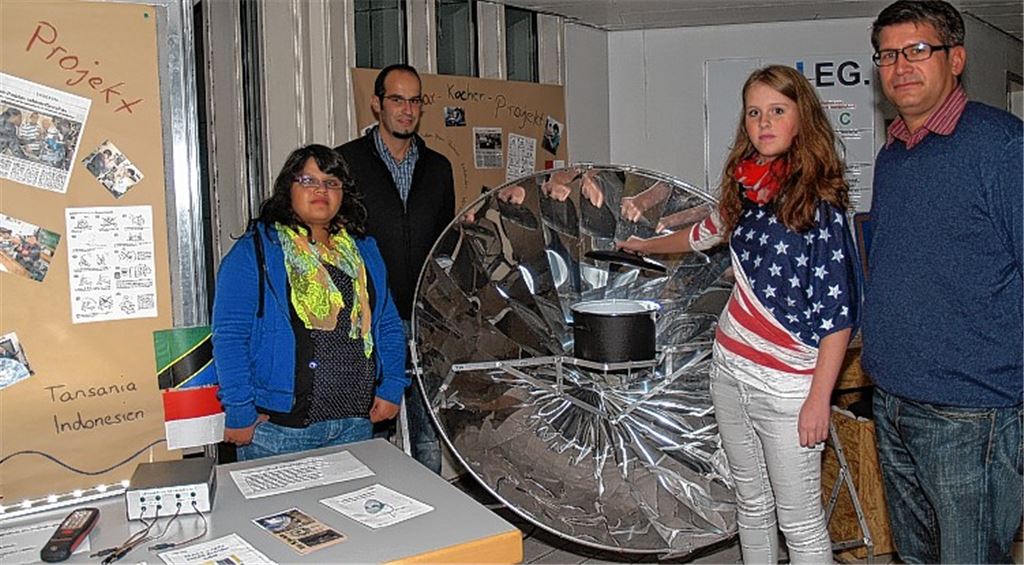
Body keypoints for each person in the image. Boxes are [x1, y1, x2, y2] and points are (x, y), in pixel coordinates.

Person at [619, 65, 860, 563]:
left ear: (802, 119)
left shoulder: (820, 202)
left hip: (788, 386)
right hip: (729, 371)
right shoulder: (745, 189)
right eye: (754, 113)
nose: (764, 123)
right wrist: (646, 243)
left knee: (801, 523)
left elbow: (839, 314)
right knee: (750, 505)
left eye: (777, 110)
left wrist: (819, 399)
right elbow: (699, 234)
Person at [862, 2, 1023, 562]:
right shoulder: (894, 155)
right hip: (893, 399)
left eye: (917, 50)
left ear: (956, 59)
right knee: (915, 557)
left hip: (971, 411)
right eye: (888, 54)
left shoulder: (1002, 147)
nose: (900, 65)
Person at [212, 144, 408, 461]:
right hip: (279, 431)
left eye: (331, 182)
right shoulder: (256, 252)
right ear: (287, 188)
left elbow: (387, 324)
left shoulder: (363, 251)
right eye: (308, 181)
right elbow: (230, 337)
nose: (321, 190)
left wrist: (391, 387)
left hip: (356, 423)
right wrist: (239, 410)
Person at [336, 64, 454, 474]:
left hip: (425, 321)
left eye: (415, 100)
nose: (407, 109)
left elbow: (446, 244)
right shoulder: (345, 164)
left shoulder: (439, 169)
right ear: (377, 104)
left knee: (428, 430)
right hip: (366, 321)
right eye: (397, 99)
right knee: (370, 427)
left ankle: (434, 521)